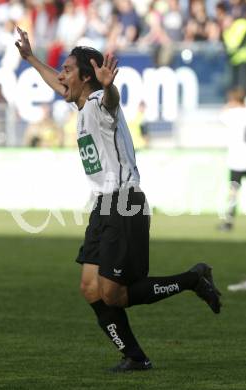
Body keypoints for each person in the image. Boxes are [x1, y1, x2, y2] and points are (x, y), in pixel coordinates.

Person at [15, 26, 221, 372]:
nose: (62, 76)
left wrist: (109, 87)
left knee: (113, 294)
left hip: (125, 202)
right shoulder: (81, 105)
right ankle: (136, 357)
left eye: (67, 70)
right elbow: (59, 85)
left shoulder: (98, 103)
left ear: (87, 77)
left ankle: (192, 279)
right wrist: (32, 59)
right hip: (103, 205)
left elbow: (111, 101)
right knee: (89, 288)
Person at [218, 87, 246, 231]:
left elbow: (221, 115)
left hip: (237, 160)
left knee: (233, 191)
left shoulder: (231, 113)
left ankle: (228, 222)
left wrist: (230, 105)